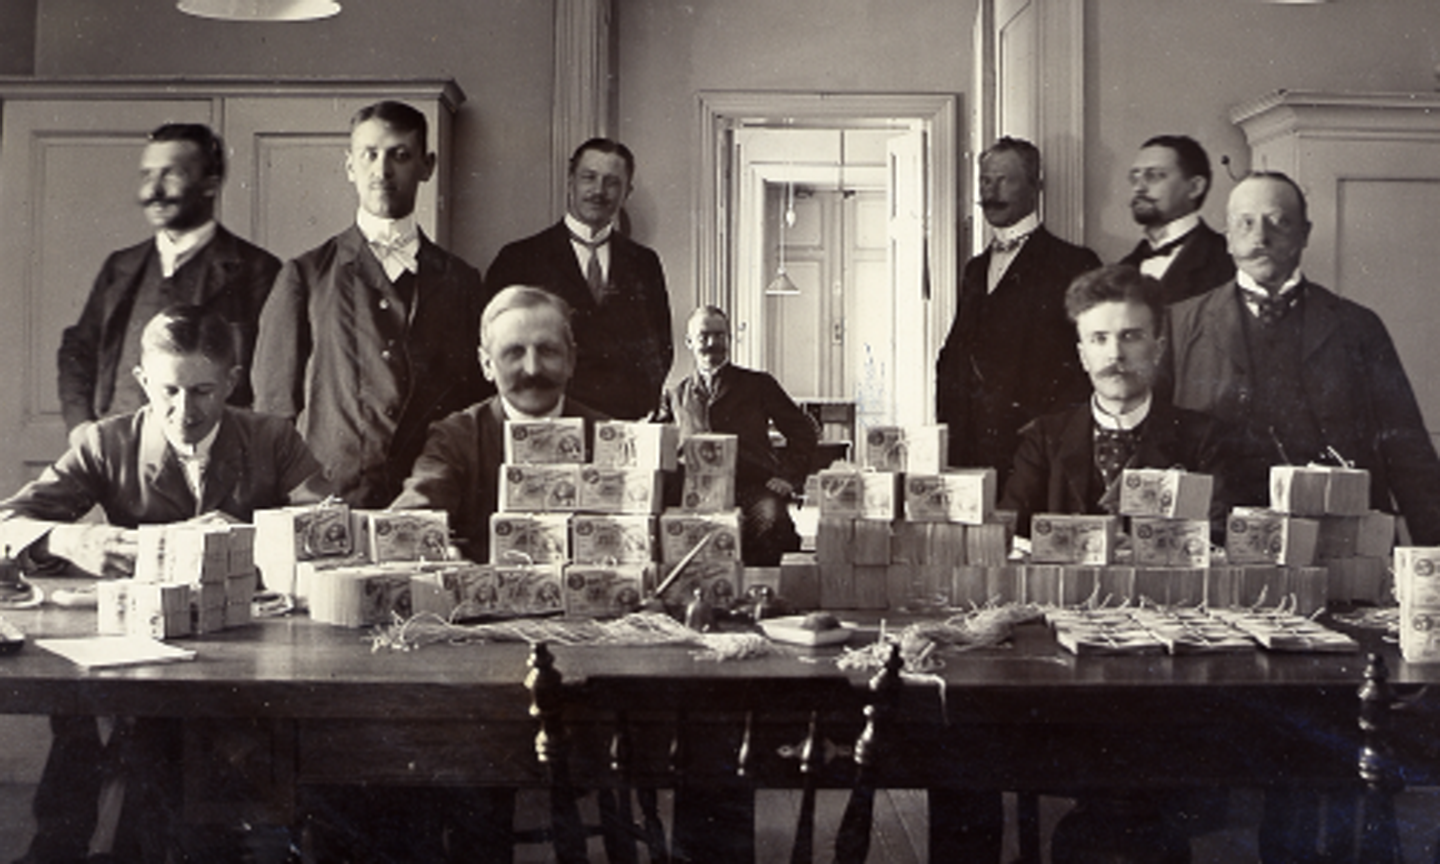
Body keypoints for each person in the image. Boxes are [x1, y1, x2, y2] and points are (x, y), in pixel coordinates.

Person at [4, 305, 324, 864]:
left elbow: (329, 531)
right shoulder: (107, 442)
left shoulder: (273, 438)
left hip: (249, 657)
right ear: (142, 380)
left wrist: (255, 539)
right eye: (168, 391)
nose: (184, 411)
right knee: (102, 742)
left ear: (233, 379)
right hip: (142, 653)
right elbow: (6, 524)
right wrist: (70, 540)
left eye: (203, 391)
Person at [1164, 171, 1440, 543]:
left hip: (1342, 540)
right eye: (1245, 223)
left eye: (1278, 222)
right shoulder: (1179, 324)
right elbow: (1158, 443)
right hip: (1219, 543)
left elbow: (1406, 447)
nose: (1260, 237)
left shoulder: (1358, 326)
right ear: (1227, 237)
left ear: (1304, 233)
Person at [252, 100, 488, 508]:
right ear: (349, 166)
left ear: (427, 166)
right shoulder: (305, 276)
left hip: (434, 502)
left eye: (400, 155)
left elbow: (474, 404)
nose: (382, 171)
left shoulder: (462, 281)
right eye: (370, 155)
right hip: (334, 504)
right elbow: (274, 414)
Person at [57, 123, 281, 433]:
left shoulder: (257, 270)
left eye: (171, 174)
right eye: (147, 175)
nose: (153, 191)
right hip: (121, 454)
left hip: (213, 460)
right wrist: (81, 426)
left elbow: (273, 380)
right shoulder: (120, 267)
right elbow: (78, 351)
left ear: (210, 185)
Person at [1000, 264, 1230, 536]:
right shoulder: (1043, 440)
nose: (1115, 355)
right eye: (1099, 339)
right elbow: (1011, 537)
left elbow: (1217, 538)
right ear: (1082, 355)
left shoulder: (1203, 441)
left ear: (1158, 350)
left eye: (1131, 337)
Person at [391, 285, 606, 563]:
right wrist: (439, 552)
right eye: (514, 353)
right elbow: (411, 519)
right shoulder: (455, 438)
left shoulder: (608, 436)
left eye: (548, 350)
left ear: (571, 360)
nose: (532, 368)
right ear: (486, 364)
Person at [935, 136, 1101, 484]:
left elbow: (1086, 365)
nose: (990, 192)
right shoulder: (975, 269)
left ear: (1034, 186)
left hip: (1036, 452)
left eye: (1003, 180)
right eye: (985, 180)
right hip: (970, 453)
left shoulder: (1072, 263)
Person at [487, 138, 673, 420]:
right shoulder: (520, 258)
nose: (599, 191)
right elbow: (495, 344)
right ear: (571, 181)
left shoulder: (644, 263)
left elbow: (661, 349)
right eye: (589, 178)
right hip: (546, 423)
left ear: (627, 192)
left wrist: (638, 409)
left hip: (622, 426)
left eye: (612, 182)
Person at [656, 306, 818, 567]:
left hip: (751, 486)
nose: (713, 343)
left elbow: (804, 431)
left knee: (770, 519)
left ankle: (760, 595)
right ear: (689, 342)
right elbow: (657, 444)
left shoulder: (759, 384)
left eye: (720, 335)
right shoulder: (675, 395)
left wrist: (788, 475)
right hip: (694, 493)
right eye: (704, 336)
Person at [1118, 135, 1234, 305]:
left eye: (1155, 176)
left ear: (1195, 187)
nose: (1138, 187)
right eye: (1135, 177)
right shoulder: (1122, 268)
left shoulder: (1227, 260)